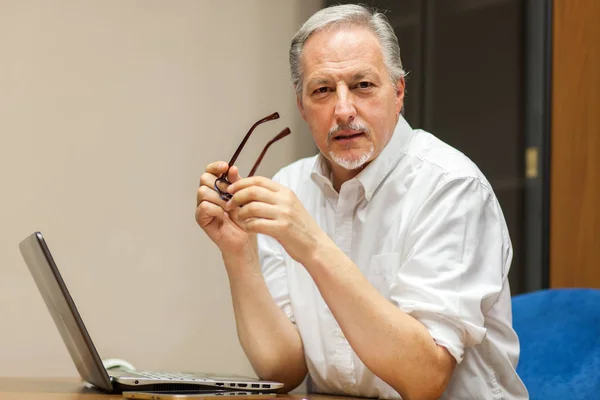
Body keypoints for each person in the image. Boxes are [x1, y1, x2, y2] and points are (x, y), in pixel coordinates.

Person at [195, 4, 528, 400]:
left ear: (399, 92)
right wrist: (239, 253)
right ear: (302, 107)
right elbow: (282, 371)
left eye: (362, 85)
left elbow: (424, 379)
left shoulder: (451, 187)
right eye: (322, 90)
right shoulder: (290, 187)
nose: (343, 110)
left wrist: (313, 245)